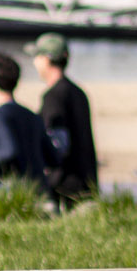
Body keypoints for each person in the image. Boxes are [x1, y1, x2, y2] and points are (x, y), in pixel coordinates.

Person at [32, 32, 98, 206]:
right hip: (86, 182)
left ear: (47, 59)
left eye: (36, 57)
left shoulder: (53, 96)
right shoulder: (78, 93)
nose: (34, 62)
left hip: (64, 187)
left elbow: (58, 144)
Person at [0, 52, 48, 189]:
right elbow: (53, 157)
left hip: (15, 196)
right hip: (42, 192)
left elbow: (8, 151)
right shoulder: (32, 116)